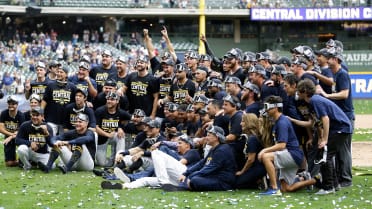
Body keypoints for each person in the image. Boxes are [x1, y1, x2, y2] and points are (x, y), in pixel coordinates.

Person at [297, 79, 352, 195]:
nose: (298, 93)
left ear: (305, 91)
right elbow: (319, 123)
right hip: (339, 129)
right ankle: (334, 184)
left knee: (324, 156)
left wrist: (325, 139)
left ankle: (328, 187)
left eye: (299, 91)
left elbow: (325, 119)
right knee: (325, 154)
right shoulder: (313, 101)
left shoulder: (315, 100)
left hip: (341, 129)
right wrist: (321, 138)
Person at [101, 134, 200, 190]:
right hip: (175, 180)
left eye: (180, 143)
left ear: (188, 145)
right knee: (146, 180)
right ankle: (124, 186)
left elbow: (180, 163)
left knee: (156, 153)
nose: (177, 145)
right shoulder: (178, 152)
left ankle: (164, 183)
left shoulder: (193, 152)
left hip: (186, 176)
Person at [258, 95, 304, 196]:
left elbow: (282, 145)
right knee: (286, 189)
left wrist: (264, 150)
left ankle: (274, 188)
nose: (266, 110)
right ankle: (310, 180)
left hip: (292, 154)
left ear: (275, 108)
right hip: (291, 155)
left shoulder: (282, 122)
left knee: (266, 157)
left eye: (267, 107)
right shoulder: (278, 121)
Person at [178, 125, 237, 191]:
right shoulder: (214, 149)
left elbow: (211, 168)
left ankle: (188, 185)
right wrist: (186, 173)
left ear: (216, 137)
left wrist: (191, 175)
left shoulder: (222, 150)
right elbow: (202, 163)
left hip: (223, 181)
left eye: (208, 135)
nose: (206, 138)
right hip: (214, 177)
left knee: (195, 180)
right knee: (194, 178)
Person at [95, 92, 131, 167]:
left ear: (117, 101)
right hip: (101, 139)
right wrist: (107, 134)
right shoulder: (100, 111)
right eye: (108, 99)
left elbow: (131, 119)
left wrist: (121, 127)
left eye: (112, 99)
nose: (109, 101)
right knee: (102, 163)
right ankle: (111, 159)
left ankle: (119, 160)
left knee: (121, 136)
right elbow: (96, 127)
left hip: (114, 135)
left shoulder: (120, 112)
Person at [41, 65, 77, 136]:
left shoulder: (72, 87)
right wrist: (41, 112)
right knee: (50, 140)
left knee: (64, 142)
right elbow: (44, 100)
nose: (59, 74)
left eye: (61, 72)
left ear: (66, 74)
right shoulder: (50, 85)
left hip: (66, 121)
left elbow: (75, 102)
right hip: (51, 119)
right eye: (58, 72)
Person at [235, 113, 267, 189]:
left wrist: (242, 172)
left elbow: (251, 159)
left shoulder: (252, 139)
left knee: (237, 184)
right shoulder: (252, 136)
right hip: (255, 167)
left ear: (248, 123)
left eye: (243, 121)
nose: (240, 124)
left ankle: (258, 183)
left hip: (258, 168)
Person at [0, 96, 26, 167]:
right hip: (9, 136)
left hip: (20, 137)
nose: (11, 105)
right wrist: (11, 135)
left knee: (23, 148)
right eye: (9, 104)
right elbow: (1, 129)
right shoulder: (4, 113)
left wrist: (11, 136)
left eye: (13, 104)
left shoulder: (21, 115)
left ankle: (24, 160)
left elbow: (21, 131)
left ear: (17, 105)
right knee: (9, 164)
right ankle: (18, 161)